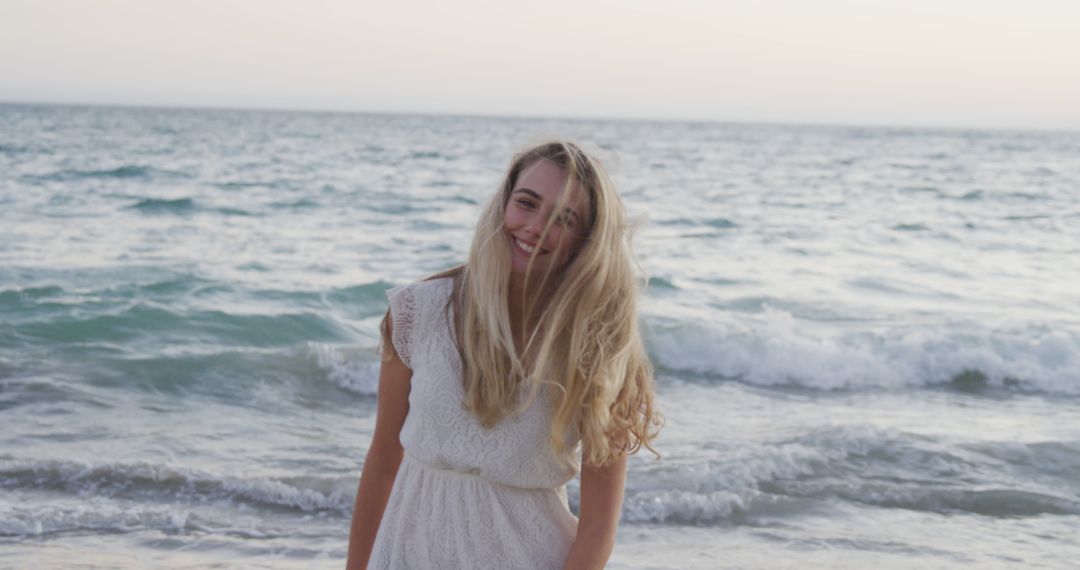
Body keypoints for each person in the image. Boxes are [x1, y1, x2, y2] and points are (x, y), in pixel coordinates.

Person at [345, 140, 662, 569]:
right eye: (526, 203)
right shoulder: (417, 312)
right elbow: (383, 461)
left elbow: (598, 528)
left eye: (563, 220)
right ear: (502, 203)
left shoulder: (598, 345)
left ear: (586, 241)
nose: (534, 227)